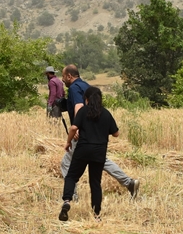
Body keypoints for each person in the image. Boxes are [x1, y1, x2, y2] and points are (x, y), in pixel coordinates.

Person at [59, 65, 140, 199]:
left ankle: (71, 195)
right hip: (94, 132)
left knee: (67, 163)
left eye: (63, 77)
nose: (62, 80)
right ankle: (129, 183)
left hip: (82, 133)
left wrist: (77, 127)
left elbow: (79, 107)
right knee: (101, 160)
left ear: (69, 76)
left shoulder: (73, 88)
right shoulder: (86, 86)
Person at [60, 86, 118, 221]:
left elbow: (74, 127)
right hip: (99, 151)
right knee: (95, 183)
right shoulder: (106, 113)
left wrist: (68, 142)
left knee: (72, 177)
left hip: (83, 149)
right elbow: (116, 133)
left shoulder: (83, 111)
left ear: (86, 99)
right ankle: (97, 215)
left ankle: (67, 201)